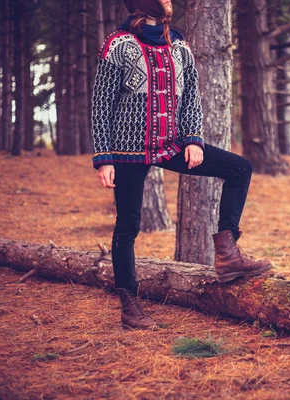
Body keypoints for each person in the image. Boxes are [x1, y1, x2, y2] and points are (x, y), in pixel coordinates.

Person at [91, 0, 273, 330]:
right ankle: (130, 306)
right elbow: (101, 105)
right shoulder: (118, 45)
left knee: (239, 168)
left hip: (172, 144)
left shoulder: (179, 45)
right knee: (128, 225)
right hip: (128, 150)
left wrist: (192, 138)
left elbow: (191, 96)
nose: (170, 2)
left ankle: (229, 254)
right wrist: (104, 158)